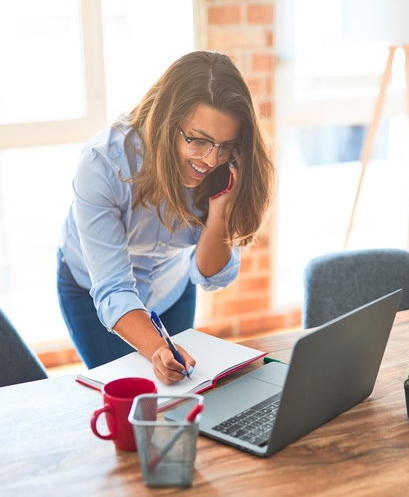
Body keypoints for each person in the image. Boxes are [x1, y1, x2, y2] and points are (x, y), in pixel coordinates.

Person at [57, 50, 275, 385]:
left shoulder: (225, 168)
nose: (211, 159)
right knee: (132, 399)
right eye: (199, 140)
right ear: (166, 122)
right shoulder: (103, 164)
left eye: (225, 144)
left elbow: (212, 277)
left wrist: (221, 210)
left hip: (170, 288)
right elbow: (114, 289)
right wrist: (157, 347)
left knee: (180, 393)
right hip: (93, 291)